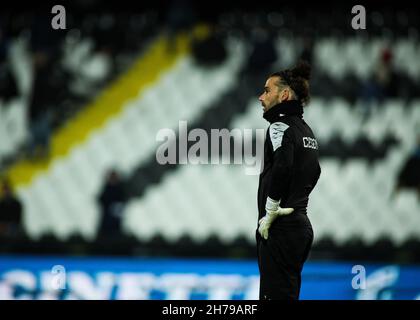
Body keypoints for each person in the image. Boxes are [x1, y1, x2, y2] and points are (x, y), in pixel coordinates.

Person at [256, 60, 321, 300]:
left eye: (266, 90)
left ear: (284, 95)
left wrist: (271, 209)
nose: (261, 97)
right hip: (300, 227)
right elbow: (315, 171)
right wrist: (297, 203)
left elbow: (283, 166)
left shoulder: (279, 126)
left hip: (281, 229)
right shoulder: (306, 131)